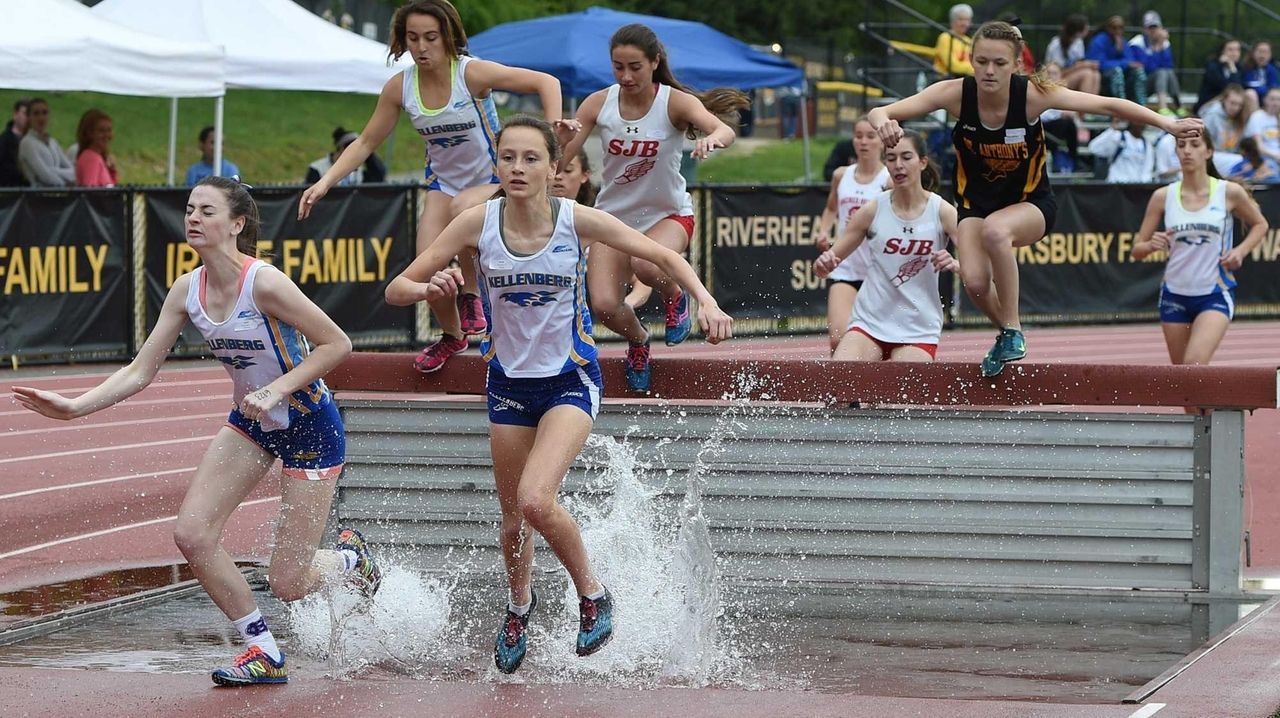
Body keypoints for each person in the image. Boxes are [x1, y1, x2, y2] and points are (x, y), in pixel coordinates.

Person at [383, 115, 733, 674]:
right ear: (496, 165)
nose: (517, 168)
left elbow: (665, 257)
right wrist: (431, 286)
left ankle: (593, 595)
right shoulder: (476, 223)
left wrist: (708, 302)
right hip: (508, 385)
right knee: (512, 521)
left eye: (530, 159)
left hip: (569, 379)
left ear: (553, 168)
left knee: (535, 499)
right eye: (507, 158)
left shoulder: (577, 221)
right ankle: (519, 605)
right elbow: (396, 287)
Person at [11, 176, 381, 686]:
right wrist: (75, 407)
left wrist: (277, 389)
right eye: (189, 209)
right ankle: (262, 649)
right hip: (250, 424)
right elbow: (140, 370)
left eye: (206, 211)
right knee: (191, 532)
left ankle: (348, 559)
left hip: (309, 425)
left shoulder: (265, 282)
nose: (192, 218)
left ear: (236, 224)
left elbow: (337, 345)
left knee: (289, 582)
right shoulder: (189, 289)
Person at [866, 20, 1204, 377]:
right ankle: (1007, 334)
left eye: (998, 63)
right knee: (976, 284)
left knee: (997, 231)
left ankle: (1012, 330)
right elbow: (880, 111)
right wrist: (883, 121)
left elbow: (1108, 105)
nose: (989, 71)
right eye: (981, 62)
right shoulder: (955, 94)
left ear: (1016, 65)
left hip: (1031, 204)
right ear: (971, 60)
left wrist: (1167, 125)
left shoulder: (1032, 96)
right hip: (975, 206)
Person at [298, 0, 571, 375]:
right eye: (413, 39)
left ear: (448, 38)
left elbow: (546, 81)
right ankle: (453, 334)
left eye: (430, 38)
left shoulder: (471, 74)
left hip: (494, 179)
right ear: (402, 40)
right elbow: (364, 142)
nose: (422, 48)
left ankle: (472, 293)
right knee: (424, 271)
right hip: (444, 184)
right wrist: (325, 182)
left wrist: (553, 129)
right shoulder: (401, 87)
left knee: (463, 209)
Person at [558, 23, 747, 393]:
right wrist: (560, 141)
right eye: (618, 67)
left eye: (635, 67)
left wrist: (712, 140)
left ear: (654, 62)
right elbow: (559, 157)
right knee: (605, 306)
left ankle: (675, 296)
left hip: (668, 214)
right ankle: (640, 340)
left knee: (648, 262)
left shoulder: (674, 102)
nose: (626, 76)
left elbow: (724, 130)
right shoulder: (599, 103)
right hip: (612, 218)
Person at [815, 131, 960, 362]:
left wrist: (956, 264)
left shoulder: (941, 211)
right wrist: (823, 264)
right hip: (870, 324)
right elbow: (827, 263)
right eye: (891, 159)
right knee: (839, 388)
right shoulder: (874, 209)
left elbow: (978, 267)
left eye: (906, 157)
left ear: (922, 162)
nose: (898, 165)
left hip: (917, 328)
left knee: (899, 395)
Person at [1131, 131, 1268, 368]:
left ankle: (1220, 406)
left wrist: (1240, 251)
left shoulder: (1228, 192)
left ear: (1208, 151)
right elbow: (1137, 250)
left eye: (1194, 145)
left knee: (1193, 365)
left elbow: (1260, 224)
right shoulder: (1163, 196)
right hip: (1174, 294)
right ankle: (1211, 408)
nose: (1187, 151)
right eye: (1181, 145)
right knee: (1183, 382)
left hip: (1214, 293)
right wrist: (1151, 245)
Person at [814, 117, 888, 353]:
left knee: (881, 341)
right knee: (838, 338)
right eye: (858, 136)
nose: (863, 142)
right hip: (845, 267)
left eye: (870, 136)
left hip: (879, 271)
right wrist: (823, 230)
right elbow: (831, 208)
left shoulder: (888, 180)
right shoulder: (840, 175)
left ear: (882, 142)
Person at [1129, 11, 1183, 116]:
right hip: (1138, 84)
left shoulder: (1165, 43)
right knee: (1162, 72)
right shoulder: (1137, 43)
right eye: (1150, 28)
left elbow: (1168, 65)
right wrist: (1158, 46)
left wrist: (1161, 45)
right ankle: (1163, 107)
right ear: (1144, 29)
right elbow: (1147, 67)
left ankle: (1179, 106)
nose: (1153, 31)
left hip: (1156, 81)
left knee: (1168, 72)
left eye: (1155, 27)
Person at [1087, 16, 1147, 103]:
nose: (1117, 31)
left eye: (1120, 28)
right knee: (1117, 71)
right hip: (1103, 76)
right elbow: (1099, 63)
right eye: (1114, 28)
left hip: (1124, 77)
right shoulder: (1099, 41)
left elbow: (1130, 60)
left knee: (1139, 71)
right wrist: (1123, 64)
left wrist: (1120, 51)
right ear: (1108, 28)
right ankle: (1121, 105)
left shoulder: (1122, 41)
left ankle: (1142, 105)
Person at [17, 98, 75, 187]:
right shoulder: (27, 143)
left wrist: (53, 170)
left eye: (44, 113)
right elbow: (44, 175)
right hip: (38, 196)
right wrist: (64, 185)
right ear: (29, 117)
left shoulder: (53, 142)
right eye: (36, 114)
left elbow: (73, 171)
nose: (41, 118)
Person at [305, 126, 386, 185]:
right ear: (342, 148)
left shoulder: (357, 170)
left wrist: (367, 151)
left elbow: (378, 176)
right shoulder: (318, 169)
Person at [1045, 14, 1101, 95]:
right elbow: (1058, 72)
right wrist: (1082, 65)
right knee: (1087, 74)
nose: (1088, 29)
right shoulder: (1056, 44)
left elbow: (1077, 63)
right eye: (1086, 26)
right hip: (1055, 80)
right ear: (1078, 30)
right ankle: (1084, 105)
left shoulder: (1078, 42)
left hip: (1068, 76)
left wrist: (1087, 64)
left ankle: (1094, 105)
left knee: (1096, 74)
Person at [1088, 117, 1156, 183]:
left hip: (1136, 186)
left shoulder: (1147, 145)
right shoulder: (1119, 137)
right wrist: (1111, 130)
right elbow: (1093, 148)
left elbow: (1147, 169)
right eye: (1137, 121)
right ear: (1130, 122)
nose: (1140, 124)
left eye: (1143, 122)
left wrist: (1143, 186)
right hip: (1116, 184)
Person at [1197, 38, 1247, 113]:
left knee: (1249, 96)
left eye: (1237, 50)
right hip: (1210, 104)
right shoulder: (1213, 66)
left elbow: (1239, 88)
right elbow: (1227, 88)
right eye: (1230, 50)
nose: (1234, 53)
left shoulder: (1239, 68)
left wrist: (1232, 67)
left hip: (1232, 104)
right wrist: (1232, 69)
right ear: (1222, 51)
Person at [1201, 84, 1251, 153]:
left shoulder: (1240, 117)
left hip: (1231, 155)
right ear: (1224, 100)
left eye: (1239, 105)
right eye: (1232, 103)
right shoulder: (1212, 115)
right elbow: (1203, 142)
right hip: (1214, 155)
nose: (1236, 108)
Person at [74, 109, 117, 188]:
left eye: (109, 130)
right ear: (89, 133)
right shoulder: (91, 158)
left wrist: (112, 172)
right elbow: (90, 191)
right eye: (101, 131)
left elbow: (110, 188)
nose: (106, 135)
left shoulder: (96, 157)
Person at [933, 4, 975, 77]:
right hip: (945, 80)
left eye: (967, 20)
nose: (965, 24)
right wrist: (974, 69)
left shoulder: (968, 40)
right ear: (952, 21)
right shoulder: (945, 38)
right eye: (961, 19)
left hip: (963, 79)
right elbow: (952, 65)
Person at [1245, 87, 1280, 164]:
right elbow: (1259, 148)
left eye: (1278, 99)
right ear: (1265, 100)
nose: (1275, 103)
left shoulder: (1277, 118)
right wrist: (1276, 156)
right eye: (1272, 99)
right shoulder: (1257, 116)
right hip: (1264, 158)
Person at [0, 98, 30, 186]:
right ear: (15, 114)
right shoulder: (4, 141)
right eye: (25, 114)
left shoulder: (34, 140)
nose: (28, 118)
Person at [1242, 40, 1280, 106]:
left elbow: (1274, 85)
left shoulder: (1272, 69)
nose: (1262, 55)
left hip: (1269, 99)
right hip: (1253, 99)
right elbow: (1251, 85)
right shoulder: (1246, 67)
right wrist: (1268, 92)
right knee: (1251, 93)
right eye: (1260, 51)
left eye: (1266, 52)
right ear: (1253, 53)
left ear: (1270, 55)